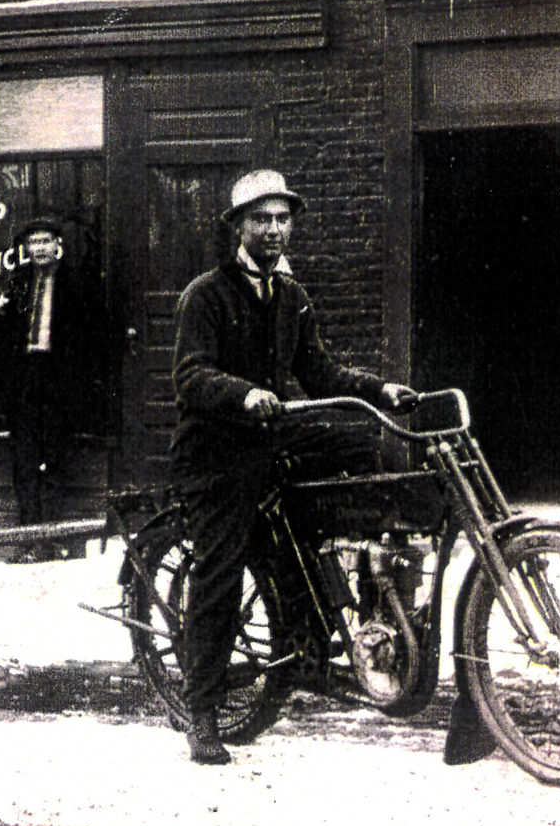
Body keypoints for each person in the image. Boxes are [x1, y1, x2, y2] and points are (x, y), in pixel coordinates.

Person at [170, 169, 416, 766]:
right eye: (262, 219)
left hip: (276, 438)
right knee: (221, 572)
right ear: (238, 226)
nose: (275, 230)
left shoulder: (292, 297)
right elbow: (190, 373)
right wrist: (243, 394)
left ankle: (367, 601)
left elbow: (321, 373)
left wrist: (378, 388)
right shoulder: (206, 294)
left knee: (369, 458)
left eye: (283, 219)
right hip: (217, 451)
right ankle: (202, 710)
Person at [0, 217, 110, 560]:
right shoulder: (17, 282)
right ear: (26, 248)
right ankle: (28, 539)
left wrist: (81, 382)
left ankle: (53, 539)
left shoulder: (76, 282)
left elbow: (92, 337)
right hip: (26, 377)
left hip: (60, 378)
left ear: (58, 244)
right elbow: (2, 330)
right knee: (25, 461)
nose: (40, 248)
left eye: (46, 241)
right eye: (34, 242)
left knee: (55, 460)